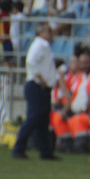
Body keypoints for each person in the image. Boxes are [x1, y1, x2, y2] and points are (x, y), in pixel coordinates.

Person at [12, 22, 61, 160]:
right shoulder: (40, 45)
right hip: (37, 86)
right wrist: (41, 79)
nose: (51, 34)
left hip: (40, 87)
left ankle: (45, 151)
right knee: (33, 118)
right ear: (41, 32)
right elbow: (31, 63)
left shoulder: (42, 45)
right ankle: (19, 148)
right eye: (48, 31)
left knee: (42, 120)